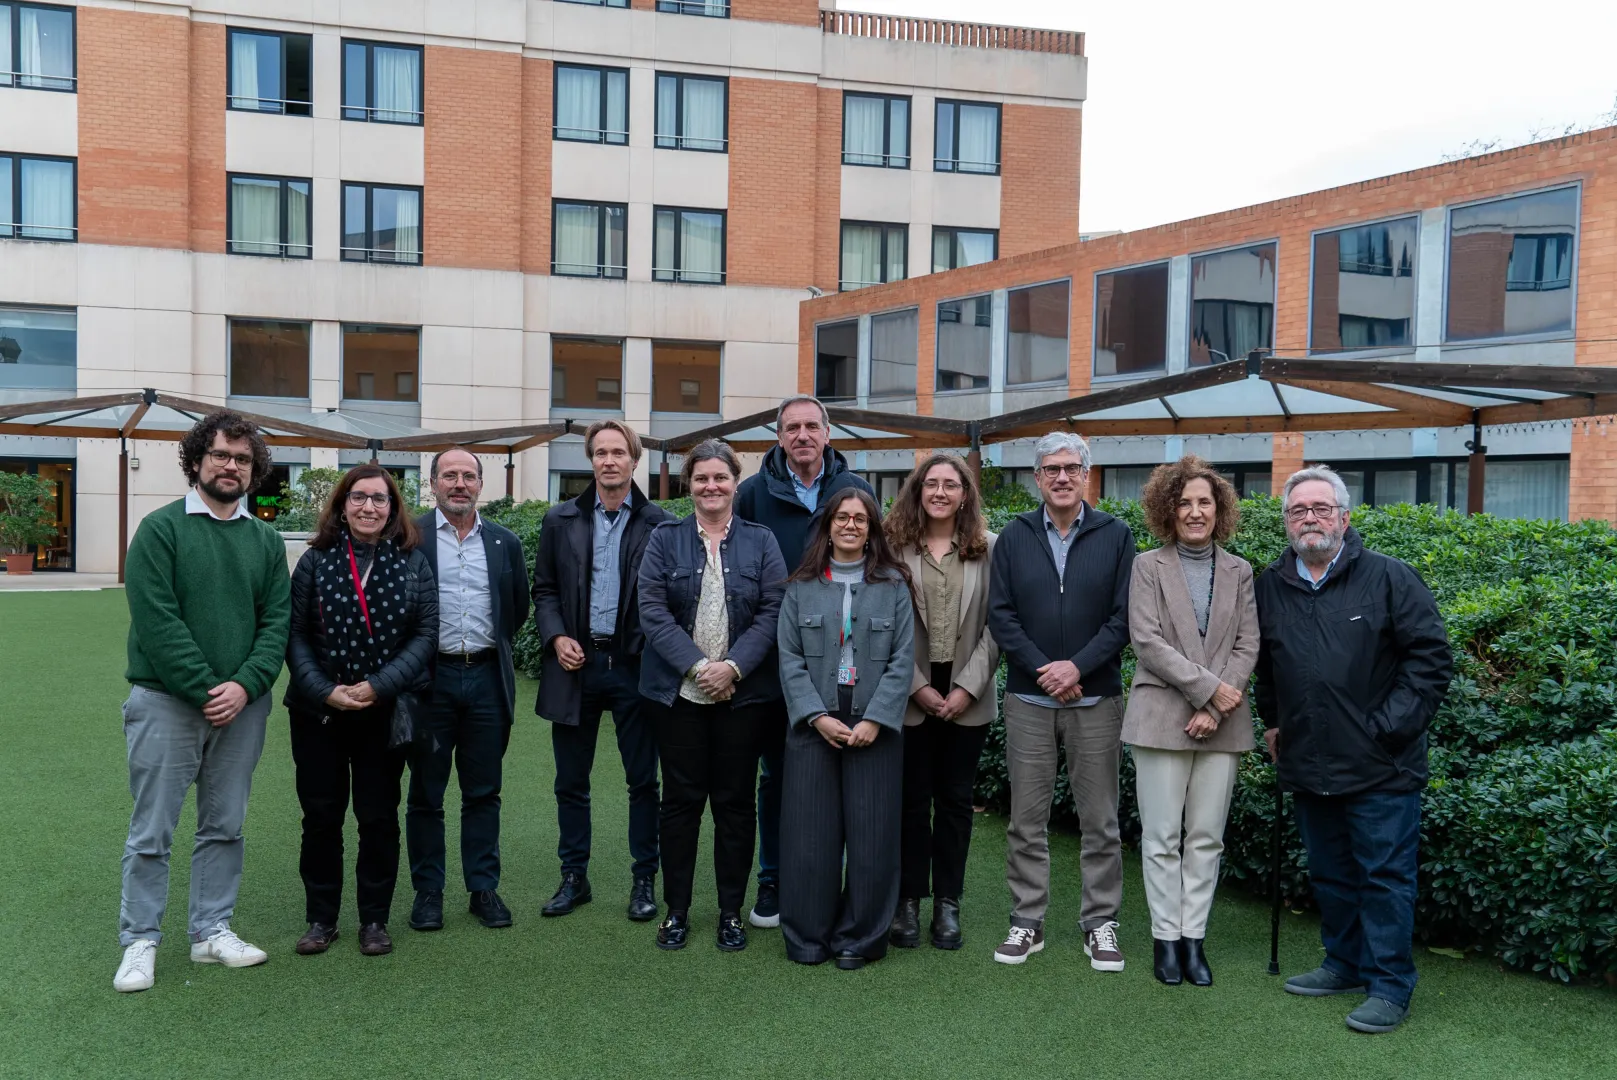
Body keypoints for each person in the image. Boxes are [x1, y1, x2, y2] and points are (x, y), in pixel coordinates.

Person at [1256, 465, 1451, 1034]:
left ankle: (1390, 986)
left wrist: (1388, 729)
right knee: (1332, 874)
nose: (1309, 518)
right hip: (1308, 761)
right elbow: (1266, 667)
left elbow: (1431, 660)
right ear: (1287, 521)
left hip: (1382, 766)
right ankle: (1343, 964)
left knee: (1385, 877)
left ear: (1344, 517)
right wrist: (1272, 722)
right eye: (1298, 510)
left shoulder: (1390, 578)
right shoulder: (1272, 584)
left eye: (1321, 508)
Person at [113, 411, 290, 993]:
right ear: (197, 460)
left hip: (243, 707)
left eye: (242, 459)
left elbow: (276, 625)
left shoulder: (264, 540)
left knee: (225, 825)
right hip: (166, 701)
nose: (231, 466)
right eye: (220, 455)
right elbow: (158, 621)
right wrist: (207, 689)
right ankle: (140, 940)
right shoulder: (160, 530)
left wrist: (244, 686)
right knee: (152, 831)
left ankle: (211, 930)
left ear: (253, 468)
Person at [986, 431, 1135, 969]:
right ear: (1037, 477)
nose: (1063, 477)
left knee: (1101, 822)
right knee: (1027, 820)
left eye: (1072, 468)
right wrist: (1046, 672)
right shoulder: (1015, 536)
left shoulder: (1117, 536)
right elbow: (1000, 615)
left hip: (1095, 700)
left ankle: (1101, 924)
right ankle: (1027, 921)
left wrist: (1079, 667)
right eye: (1052, 469)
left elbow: (1124, 619)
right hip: (1029, 699)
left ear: (1087, 474)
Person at [637, 440, 787, 951]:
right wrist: (701, 667)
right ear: (689, 484)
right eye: (701, 478)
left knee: (735, 805)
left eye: (720, 478)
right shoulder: (664, 539)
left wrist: (734, 668)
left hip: (742, 698)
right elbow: (652, 610)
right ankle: (676, 913)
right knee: (679, 804)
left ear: (734, 482)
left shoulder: (761, 541)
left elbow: (773, 610)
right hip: (678, 696)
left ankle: (730, 913)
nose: (711, 487)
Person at [284, 465, 439, 957]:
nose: (369, 507)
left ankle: (374, 920)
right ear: (342, 504)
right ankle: (321, 919)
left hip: (382, 711)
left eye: (380, 499)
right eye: (359, 498)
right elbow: (296, 634)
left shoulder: (413, 562)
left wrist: (378, 685)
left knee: (377, 817)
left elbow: (425, 634)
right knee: (321, 818)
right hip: (319, 711)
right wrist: (324, 689)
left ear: (393, 508)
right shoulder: (315, 561)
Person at [733, 394, 875, 929]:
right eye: (791, 427)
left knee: (839, 777)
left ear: (828, 432)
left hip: (846, 666)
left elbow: (880, 560)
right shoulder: (751, 495)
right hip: (774, 661)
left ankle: (830, 882)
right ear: (778, 436)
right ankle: (773, 881)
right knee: (776, 775)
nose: (802, 436)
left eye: (811, 426)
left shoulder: (855, 491)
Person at [1121, 456, 1258, 987]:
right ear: (1167, 510)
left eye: (1204, 502)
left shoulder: (1240, 570)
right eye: (1185, 503)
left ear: (1218, 509)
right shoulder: (1146, 566)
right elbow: (1146, 641)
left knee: (1206, 836)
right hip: (1160, 718)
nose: (1195, 511)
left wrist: (1217, 705)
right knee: (1160, 837)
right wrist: (1206, 692)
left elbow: (1248, 643)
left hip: (1223, 721)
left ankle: (1194, 939)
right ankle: (1166, 940)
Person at [531, 420, 672, 920]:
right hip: (576, 666)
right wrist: (556, 636)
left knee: (643, 781)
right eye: (600, 452)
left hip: (635, 667)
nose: (609, 461)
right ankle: (574, 878)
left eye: (618, 452)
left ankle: (643, 880)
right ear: (590, 460)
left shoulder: (661, 523)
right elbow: (544, 589)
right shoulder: (560, 519)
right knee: (571, 781)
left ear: (635, 460)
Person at [777, 488, 915, 970]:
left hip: (874, 725)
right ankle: (808, 935)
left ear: (872, 528)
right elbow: (789, 659)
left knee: (873, 836)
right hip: (813, 723)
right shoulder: (800, 587)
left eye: (860, 518)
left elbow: (903, 660)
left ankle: (860, 938)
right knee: (809, 836)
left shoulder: (894, 586)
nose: (851, 525)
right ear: (828, 526)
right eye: (842, 517)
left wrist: (876, 718)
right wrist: (816, 716)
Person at [405, 448, 530, 932]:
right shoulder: (409, 538)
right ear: (433, 483)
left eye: (469, 476)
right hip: (427, 681)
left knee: (483, 791)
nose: (460, 483)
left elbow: (514, 611)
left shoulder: (504, 543)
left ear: (482, 484)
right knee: (426, 793)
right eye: (449, 475)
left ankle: (483, 888)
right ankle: (428, 892)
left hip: (485, 680)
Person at [882, 453, 1000, 951]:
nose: (940, 492)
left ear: (965, 494)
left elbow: (1001, 624)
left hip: (967, 693)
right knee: (911, 803)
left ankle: (948, 904)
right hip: (910, 692)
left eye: (951, 485)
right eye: (931, 484)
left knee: (954, 803)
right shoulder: (892, 548)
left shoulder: (991, 548)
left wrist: (967, 687)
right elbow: (881, 623)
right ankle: (908, 901)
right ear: (917, 490)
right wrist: (917, 686)